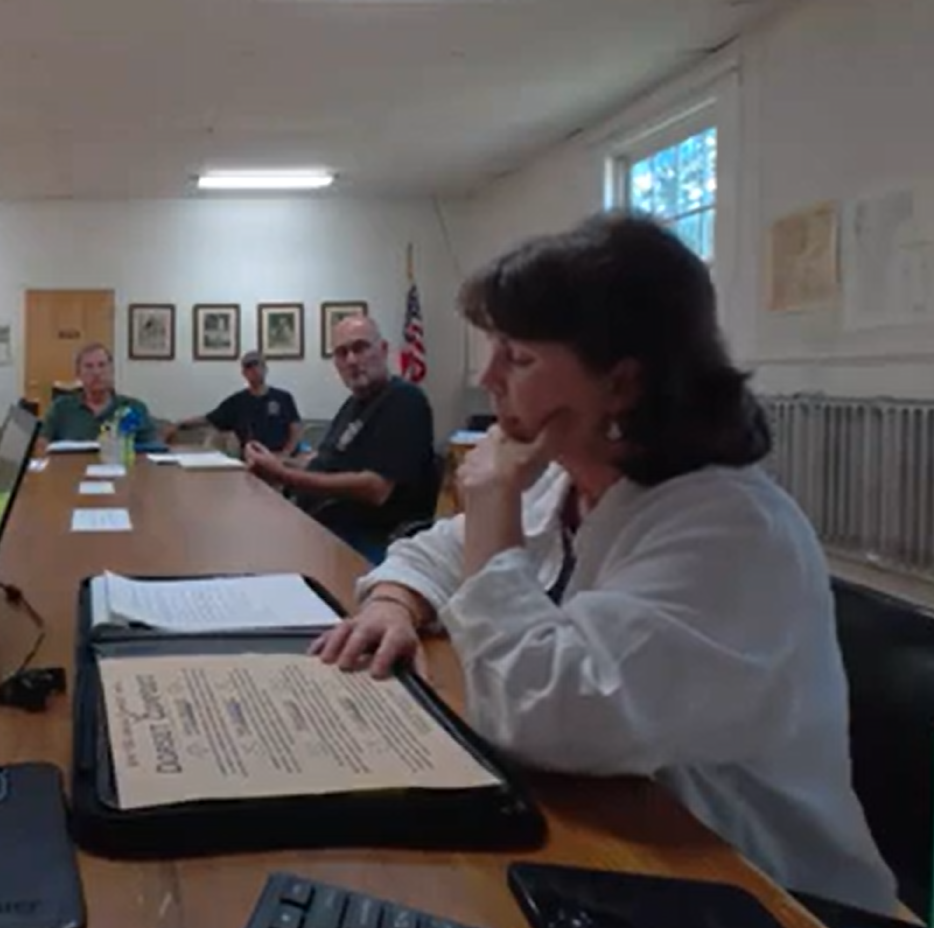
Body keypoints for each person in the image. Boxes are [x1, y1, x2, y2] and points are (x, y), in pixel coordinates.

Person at [312, 215, 897, 915]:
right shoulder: (573, 481)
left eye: (518, 359)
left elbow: (540, 715)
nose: (486, 378)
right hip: (627, 844)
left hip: (762, 888)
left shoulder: (732, 529)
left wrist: (493, 497)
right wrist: (394, 602)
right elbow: (437, 549)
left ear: (620, 385)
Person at [245, 316, 436, 562]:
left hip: (372, 539)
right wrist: (275, 461)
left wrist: (282, 475)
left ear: (384, 350)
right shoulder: (355, 403)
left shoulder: (404, 401)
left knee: (260, 555)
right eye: (342, 353)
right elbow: (325, 460)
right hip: (324, 524)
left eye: (360, 348)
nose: (352, 360)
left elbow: (375, 488)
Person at [168, 349, 302, 455]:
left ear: (266, 368)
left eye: (258, 365)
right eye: (249, 366)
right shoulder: (237, 402)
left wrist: (286, 453)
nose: (254, 370)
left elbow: (295, 429)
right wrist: (180, 424)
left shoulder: (283, 397)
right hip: (253, 460)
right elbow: (208, 419)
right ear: (244, 373)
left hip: (282, 457)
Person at [41, 342, 160, 448]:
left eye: (102, 365)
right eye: (89, 366)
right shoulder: (60, 408)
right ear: (78, 374)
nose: (96, 372)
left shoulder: (134, 407)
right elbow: (40, 445)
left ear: (112, 370)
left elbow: (153, 449)